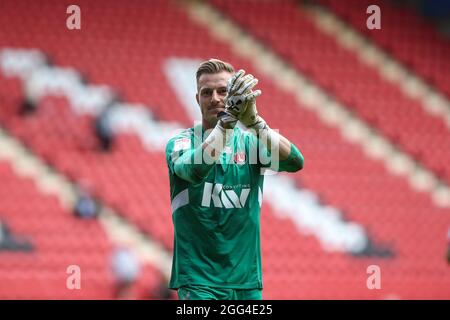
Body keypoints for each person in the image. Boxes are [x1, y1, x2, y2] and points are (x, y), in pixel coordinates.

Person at [165, 59, 304, 300]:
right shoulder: (181, 143)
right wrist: (227, 123)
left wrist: (255, 123)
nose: (215, 98)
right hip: (199, 282)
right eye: (206, 93)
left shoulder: (252, 143)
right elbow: (195, 170)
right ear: (197, 100)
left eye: (223, 91)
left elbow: (295, 161)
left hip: (247, 283)